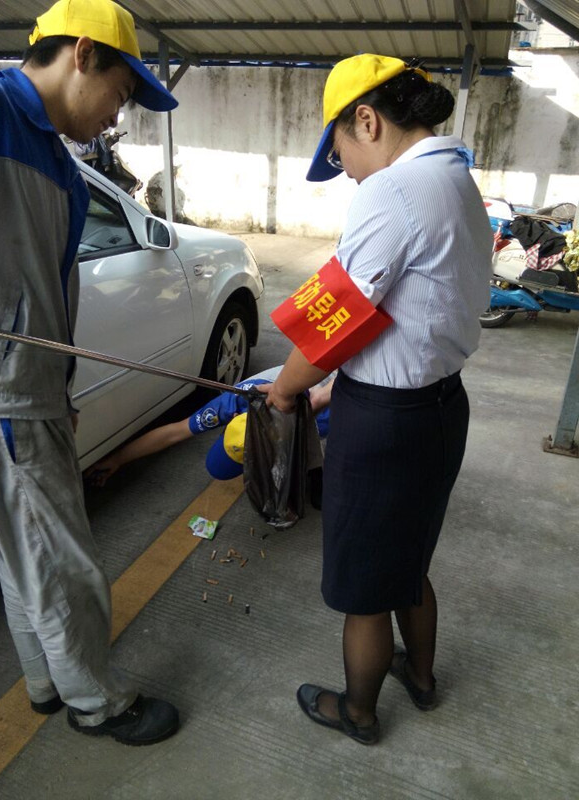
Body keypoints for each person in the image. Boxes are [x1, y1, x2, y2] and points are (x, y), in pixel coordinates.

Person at [258, 54, 493, 745]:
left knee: (365, 582)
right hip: (442, 408)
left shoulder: (392, 191)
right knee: (408, 561)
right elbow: (404, 308)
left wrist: (285, 389)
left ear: (367, 120)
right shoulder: (457, 181)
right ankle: (419, 676)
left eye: (342, 157)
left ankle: (357, 712)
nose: (350, 174)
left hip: (385, 423)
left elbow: (336, 319)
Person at [0, 0, 182, 746]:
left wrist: (57, 390)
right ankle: (98, 703)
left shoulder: (59, 166)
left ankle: (44, 681)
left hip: (26, 389)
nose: (116, 117)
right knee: (62, 561)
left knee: (20, 550)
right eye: (120, 94)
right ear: (84, 54)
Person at [85, 367, 331, 497]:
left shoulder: (321, 420)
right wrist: (117, 459)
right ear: (233, 421)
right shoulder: (231, 403)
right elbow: (174, 432)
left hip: (326, 383)